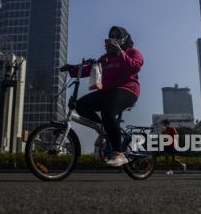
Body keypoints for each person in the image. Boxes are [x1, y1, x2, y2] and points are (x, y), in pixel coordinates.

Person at [61, 26, 144, 167]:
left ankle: (119, 153)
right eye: (111, 36)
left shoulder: (132, 52)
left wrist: (119, 51)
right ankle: (102, 127)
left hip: (128, 90)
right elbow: (89, 69)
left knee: (108, 110)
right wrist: (72, 68)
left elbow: (133, 67)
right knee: (80, 105)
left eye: (117, 36)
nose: (114, 38)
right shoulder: (105, 58)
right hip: (107, 92)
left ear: (125, 39)